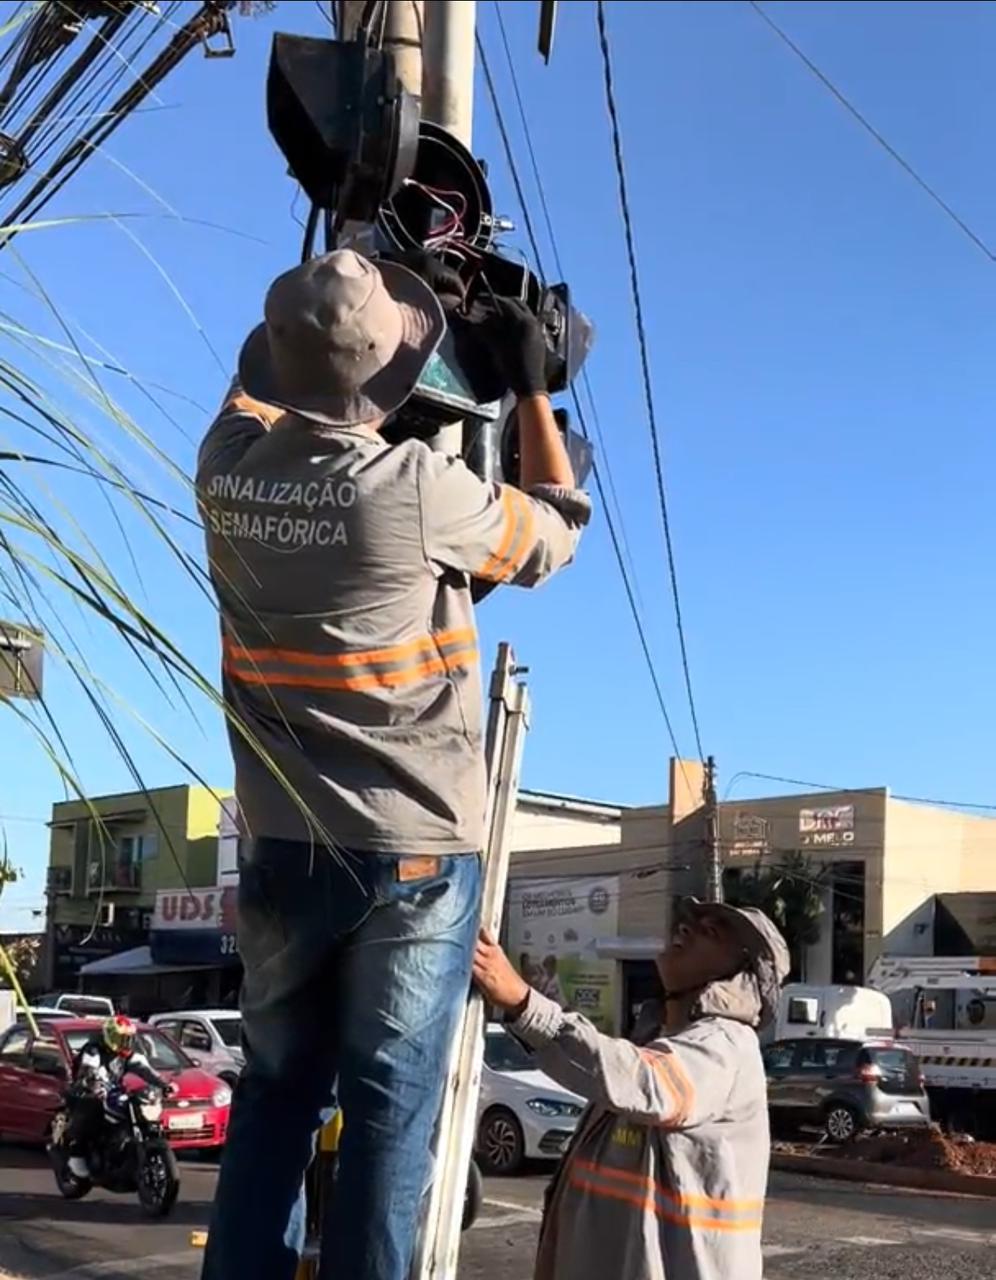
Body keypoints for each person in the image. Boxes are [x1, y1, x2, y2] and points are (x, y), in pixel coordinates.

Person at [196, 247, 589, 1280]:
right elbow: (553, 532)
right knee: (386, 1115)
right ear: (385, 375)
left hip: (283, 843)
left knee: (275, 1098)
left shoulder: (225, 467)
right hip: (411, 855)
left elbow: (255, 391)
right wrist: (536, 382)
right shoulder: (419, 488)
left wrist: (319, 326)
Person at [473, 897, 790, 1280]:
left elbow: (647, 1082)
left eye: (710, 931)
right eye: (688, 921)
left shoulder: (726, 1044)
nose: (684, 928)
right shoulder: (659, 1040)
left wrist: (525, 1006)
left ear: (742, 974)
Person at [65, 1015, 172, 1178]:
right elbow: (88, 1070)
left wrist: (164, 1084)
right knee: (91, 1109)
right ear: (108, 1036)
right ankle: (76, 1153)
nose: (124, 1042)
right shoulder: (93, 1050)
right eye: (120, 1038)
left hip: (113, 1091)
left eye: (127, 1038)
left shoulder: (128, 1055)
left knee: (135, 1107)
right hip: (85, 1091)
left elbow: (146, 1070)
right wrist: (93, 1083)